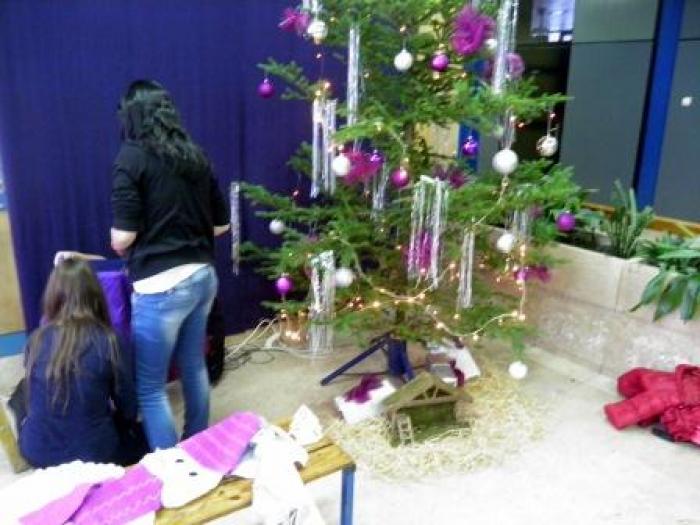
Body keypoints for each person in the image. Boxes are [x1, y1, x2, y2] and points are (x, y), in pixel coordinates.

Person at [110, 80, 230, 450]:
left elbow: (123, 237)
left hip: (160, 288)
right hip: (203, 277)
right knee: (193, 364)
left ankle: (170, 465)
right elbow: (221, 226)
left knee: (150, 387)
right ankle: (197, 444)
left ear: (131, 116)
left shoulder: (130, 158)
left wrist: (119, 240)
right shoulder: (194, 155)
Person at [18, 259, 143, 467]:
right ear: (95, 296)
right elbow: (129, 408)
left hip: (36, 450)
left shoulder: (36, 338)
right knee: (141, 439)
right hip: (94, 454)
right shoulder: (110, 340)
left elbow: (32, 398)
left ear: (52, 296)